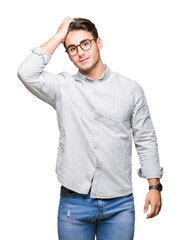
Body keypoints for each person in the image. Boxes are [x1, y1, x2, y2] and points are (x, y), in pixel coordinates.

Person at [17, 16, 163, 240]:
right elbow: (26, 72)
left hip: (120, 203)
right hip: (74, 203)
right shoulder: (62, 87)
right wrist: (58, 37)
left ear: (98, 43)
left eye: (85, 43)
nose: (80, 52)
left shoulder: (131, 90)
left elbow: (146, 138)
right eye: (72, 48)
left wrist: (154, 186)